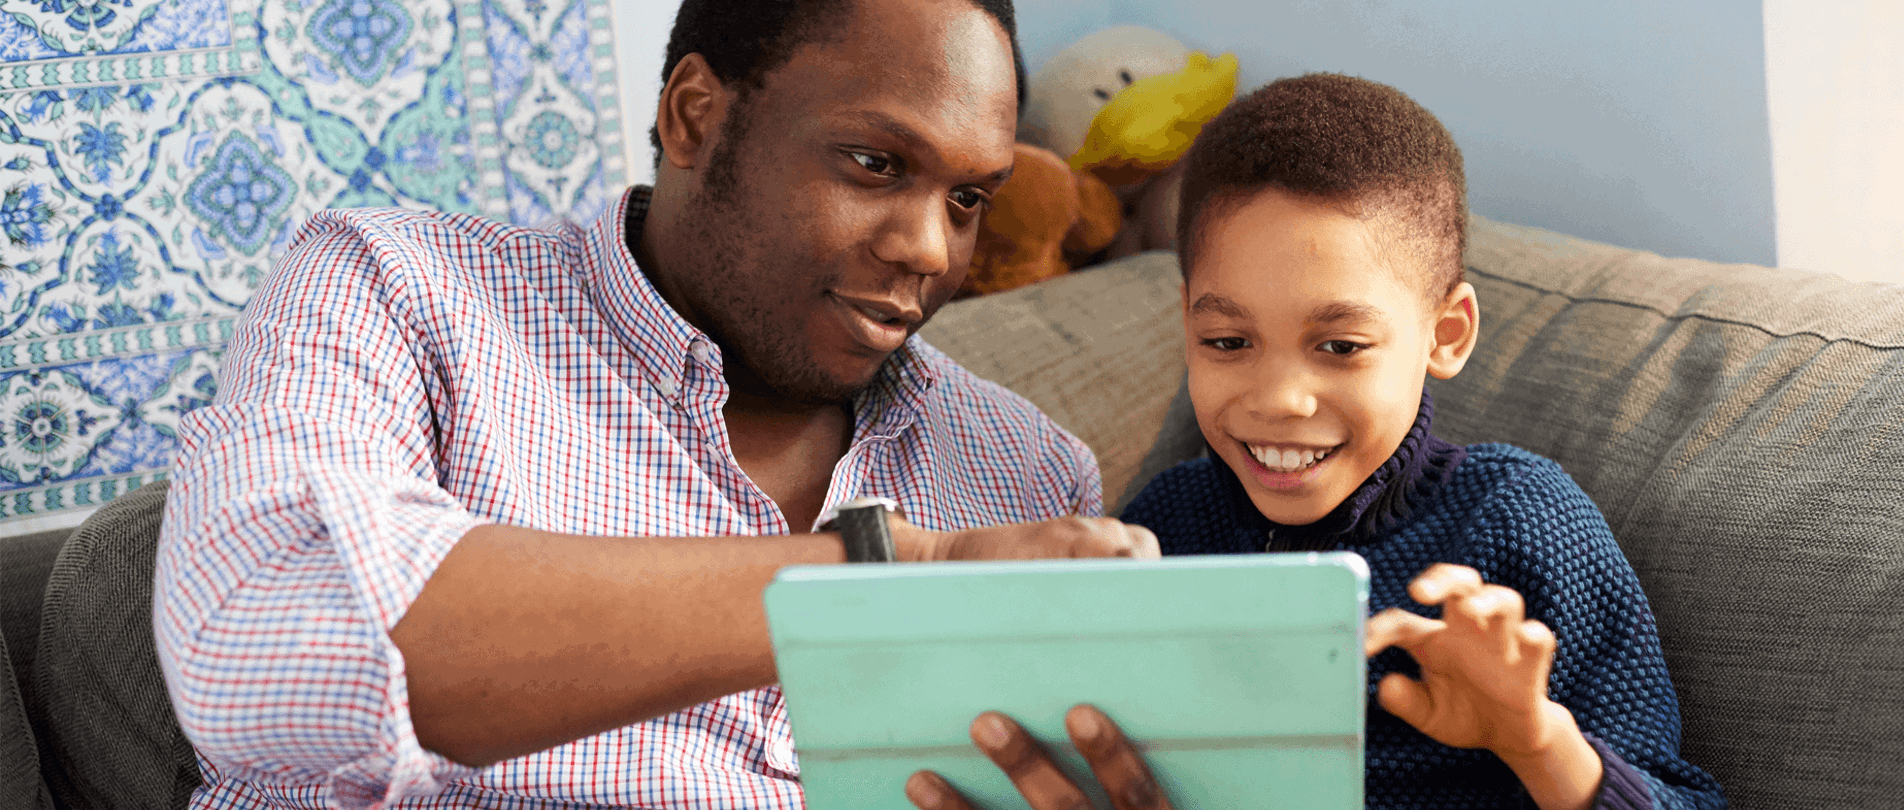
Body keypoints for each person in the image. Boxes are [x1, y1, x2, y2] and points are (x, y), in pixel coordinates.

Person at [153, 0, 1160, 806]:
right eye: (875, 163)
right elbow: (255, 647)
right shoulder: (401, 291)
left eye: (967, 199)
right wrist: (890, 569)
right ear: (694, 116)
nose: (931, 250)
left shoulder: (1028, 472)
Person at [912, 74, 1728, 810]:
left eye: (1339, 347)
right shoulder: (1161, 533)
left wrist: (1537, 740)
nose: (1278, 400)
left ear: (1445, 335)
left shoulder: (1520, 521)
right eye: (1229, 343)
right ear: (1186, 325)